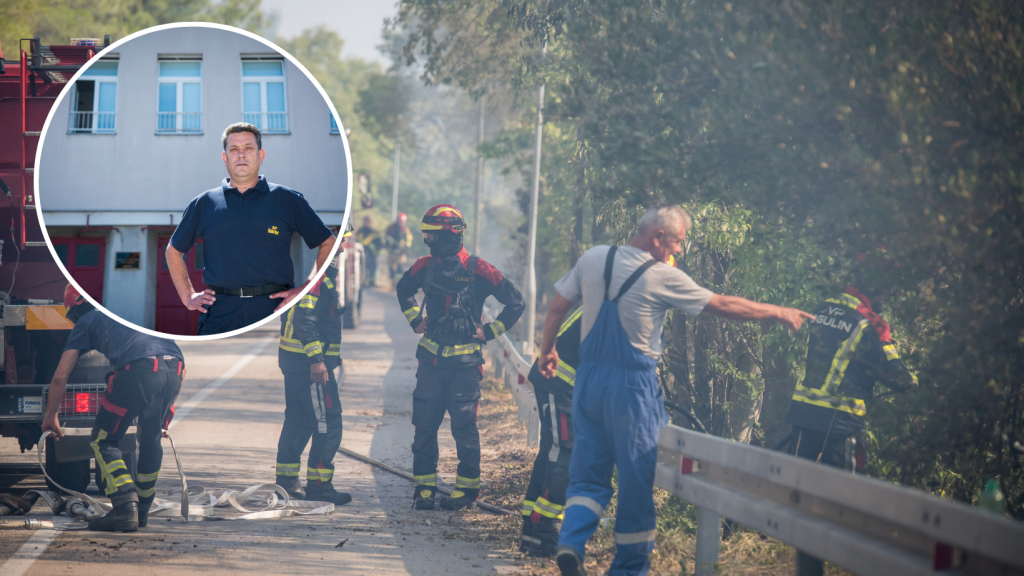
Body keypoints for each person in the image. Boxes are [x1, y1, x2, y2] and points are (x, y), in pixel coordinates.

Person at [538, 206, 813, 576]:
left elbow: (557, 307)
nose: (680, 251)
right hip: (631, 389)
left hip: (588, 382)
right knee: (636, 481)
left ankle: (571, 542)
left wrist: (548, 351)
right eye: (679, 242)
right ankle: (627, 569)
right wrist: (778, 312)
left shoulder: (594, 257)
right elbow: (724, 306)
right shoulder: (662, 277)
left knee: (587, 475)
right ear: (658, 238)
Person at [396, 204, 525, 511]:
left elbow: (516, 302)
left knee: (464, 430)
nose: (426, 240)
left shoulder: (480, 269)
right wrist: (416, 320)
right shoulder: (423, 266)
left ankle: (467, 492)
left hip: (465, 368)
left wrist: (490, 331)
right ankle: (424, 490)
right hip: (430, 364)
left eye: (430, 235)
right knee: (424, 428)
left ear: (447, 236)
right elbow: (403, 290)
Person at [167, 122, 337, 335]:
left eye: (248, 148)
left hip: (274, 309)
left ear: (261, 155)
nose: (241, 154)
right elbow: (173, 251)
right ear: (224, 158)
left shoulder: (287, 200)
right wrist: (187, 295)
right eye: (234, 149)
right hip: (219, 311)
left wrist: (307, 288)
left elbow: (328, 243)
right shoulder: (204, 204)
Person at [41, 285, 185, 532]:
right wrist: (165, 416)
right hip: (176, 368)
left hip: (137, 369)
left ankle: (123, 508)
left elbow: (59, 377)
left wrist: (50, 415)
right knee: (151, 441)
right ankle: (141, 512)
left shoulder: (86, 320)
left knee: (103, 440)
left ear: (77, 306)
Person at [274, 254, 351, 505]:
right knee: (328, 422)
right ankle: (319, 486)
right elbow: (305, 320)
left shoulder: (309, 278)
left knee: (299, 420)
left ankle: (286, 482)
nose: (339, 258)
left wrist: (327, 356)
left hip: (295, 362)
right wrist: (318, 359)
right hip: (310, 367)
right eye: (336, 253)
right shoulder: (317, 281)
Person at [520, 307, 583, 557]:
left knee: (551, 452)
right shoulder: (616, 306)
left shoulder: (605, 295)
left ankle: (532, 531)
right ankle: (544, 528)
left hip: (558, 383)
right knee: (566, 452)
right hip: (559, 385)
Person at [385, 212, 414, 282]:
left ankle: (400, 282)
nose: (401, 223)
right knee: (391, 269)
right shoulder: (390, 228)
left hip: (401, 252)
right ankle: (392, 283)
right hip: (391, 252)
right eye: (400, 221)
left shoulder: (405, 229)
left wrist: (406, 248)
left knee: (400, 267)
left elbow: (409, 239)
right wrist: (388, 245)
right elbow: (386, 238)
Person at [356, 215, 383, 286]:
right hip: (362, 252)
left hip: (372, 254)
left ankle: (371, 282)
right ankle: (363, 282)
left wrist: (377, 251)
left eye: (368, 222)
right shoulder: (360, 231)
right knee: (363, 268)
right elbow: (357, 241)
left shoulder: (374, 232)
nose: (367, 223)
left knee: (372, 268)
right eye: (366, 221)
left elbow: (379, 242)